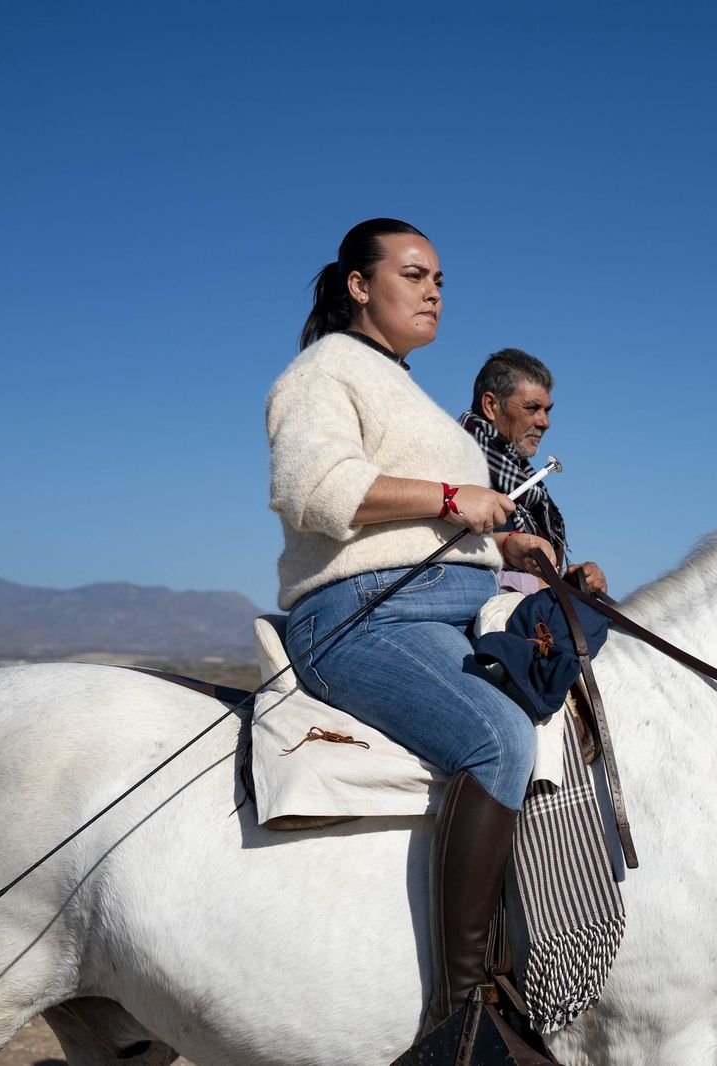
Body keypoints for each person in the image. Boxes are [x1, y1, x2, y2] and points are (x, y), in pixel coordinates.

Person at [267, 218, 559, 1035]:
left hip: (452, 604)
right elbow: (313, 488)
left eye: (440, 280)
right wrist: (447, 498)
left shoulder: (405, 389)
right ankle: (464, 1011)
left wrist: (505, 541)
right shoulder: (325, 370)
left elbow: (437, 522)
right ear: (360, 286)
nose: (433, 291)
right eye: (413, 274)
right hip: (363, 616)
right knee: (499, 738)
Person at [458, 348, 608, 596]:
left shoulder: (521, 475)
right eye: (532, 408)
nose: (544, 422)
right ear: (491, 405)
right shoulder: (455, 462)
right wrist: (545, 590)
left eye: (547, 410)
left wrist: (574, 581)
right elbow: (449, 564)